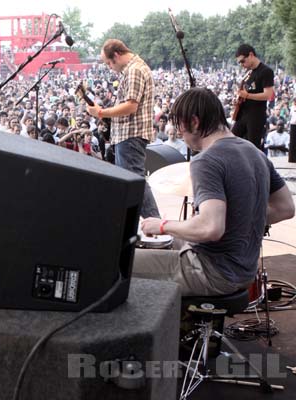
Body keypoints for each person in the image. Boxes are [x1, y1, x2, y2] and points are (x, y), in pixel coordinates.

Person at [133, 88, 294, 296]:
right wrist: (240, 221)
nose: (180, 134)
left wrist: (162, 225)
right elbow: (286, 208)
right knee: (171, 241)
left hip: (211, 272)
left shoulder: (206, 160)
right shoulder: (255, 152)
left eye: (181, 127)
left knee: (119, 263)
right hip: (245, 271)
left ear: (195, 122)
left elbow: (211, 228)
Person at [87, 39, 160, 218]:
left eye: (109, 63)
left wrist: (102, 112)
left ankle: (155, 223)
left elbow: (130, 106)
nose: (110, 67)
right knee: (133, 181)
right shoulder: (134, 68)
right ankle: (149, 225)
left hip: (131, 134)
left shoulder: (134, 70)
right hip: (128, 134)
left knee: (135, 181)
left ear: (117, 55)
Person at [231, 44, 274, 150]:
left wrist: (248, 95)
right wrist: (239, 98)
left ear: (251, 55)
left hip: (256, 116)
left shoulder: (266, 71)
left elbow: (269, 95)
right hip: (243, 114)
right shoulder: (249, 73)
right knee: (231, 142)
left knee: (253, 148)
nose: (241, 64)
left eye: (242, 61)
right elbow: (247, 91)